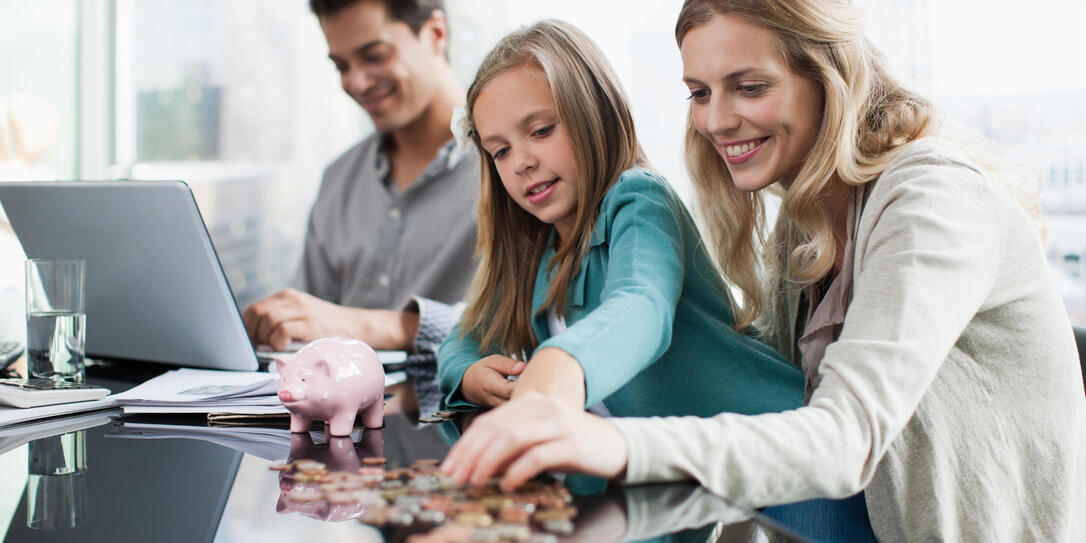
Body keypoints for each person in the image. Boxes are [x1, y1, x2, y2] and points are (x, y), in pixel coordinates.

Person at [440, 1, 1086, 541]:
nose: (717, 119)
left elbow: (843, 439)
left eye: (748, 86)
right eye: (699, 93)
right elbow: (769, 436)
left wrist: (615, 441)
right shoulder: (800, 235)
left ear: (828, 74)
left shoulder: (933, 201)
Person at [436, 21, 802, 428]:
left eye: (541, 131)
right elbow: (465, 335)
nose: (521, 161)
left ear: (595, 115)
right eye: (501, 151)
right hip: (676, 480)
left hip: (778, 450)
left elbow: (641, 306)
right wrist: (468, 375)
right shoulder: (533, 247)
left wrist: (564, 363)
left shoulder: (639, 199)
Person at [242, 0, 478, 415]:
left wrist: (364, 326)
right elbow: (308, 337)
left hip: (465, 448)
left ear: (436, 34)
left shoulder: (513, 169)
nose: (356, 81)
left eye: (374, 56)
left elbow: (535, 328)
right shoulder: (338, 179)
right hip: (341, 458)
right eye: (341, 66)